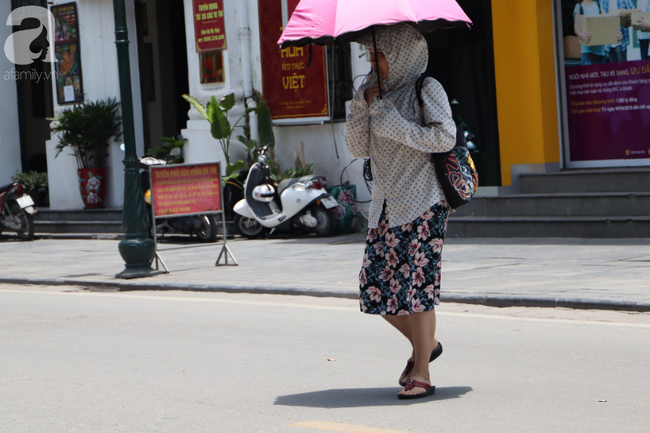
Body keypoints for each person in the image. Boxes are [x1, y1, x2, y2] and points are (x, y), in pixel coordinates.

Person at [345, 23, 456, 400]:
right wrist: (362, 108)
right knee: (373, 289)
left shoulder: (428, 89)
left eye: (380, 56)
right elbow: (359, 148)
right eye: (371, 56)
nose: (374, 63)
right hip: (385, 206)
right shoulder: (370, 93)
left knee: (417, 290)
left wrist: (396, 124)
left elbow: (445, 136)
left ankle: (421, 371)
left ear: (402, 55)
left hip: (424, 201)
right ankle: (428, 344)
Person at [574, 0, 611, 65]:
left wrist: (616, 33)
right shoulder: (579, 6)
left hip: (601, 52)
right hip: (587, 52)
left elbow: (607, 22)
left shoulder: (598, 5)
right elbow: (576, 28)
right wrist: (582, 35)